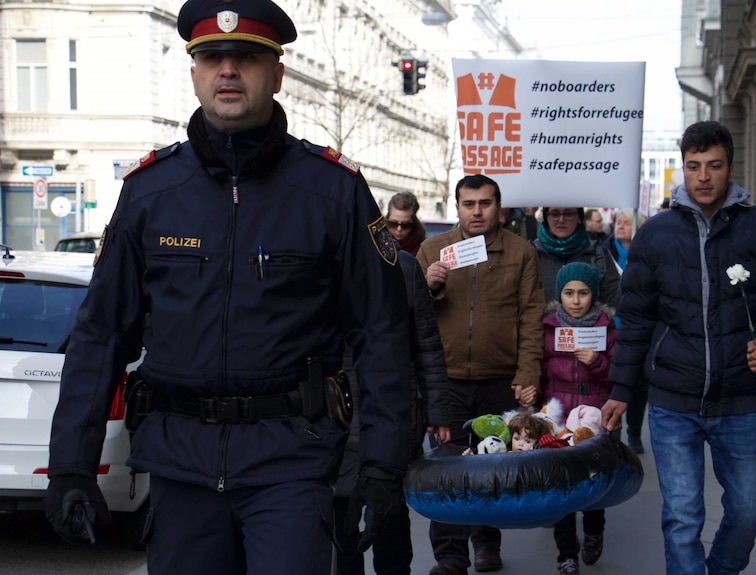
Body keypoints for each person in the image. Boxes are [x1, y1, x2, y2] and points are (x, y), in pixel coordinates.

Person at [44, 1, 412, 573]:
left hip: (291, 465)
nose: (229, 70)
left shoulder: (332, 191)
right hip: (181, 468)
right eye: (213, 57)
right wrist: (72, 464)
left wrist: (383, 467)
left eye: (246, 57)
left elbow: (382, 333)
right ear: (194, 73)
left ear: (278, 73)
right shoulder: (150, 192)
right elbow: (100, 334)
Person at [601, 121, 756, 575]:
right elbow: (636, 319)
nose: (704, 177)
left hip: (742, 398)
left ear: (730, 167)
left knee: (749, 510)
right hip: (674, 400)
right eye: (694, 167)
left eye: (714, 166)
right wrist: (621, 389)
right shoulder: (657, 234)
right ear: (683, 170)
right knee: (683, 518)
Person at [417, 174, 545, 575]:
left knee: (493, 464)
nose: (477, 211)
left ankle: (487, 544)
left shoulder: (521, 253)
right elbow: (408, 316)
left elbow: (531, 317)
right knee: (449, 468)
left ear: (498, 208)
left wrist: (527, 373)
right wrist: (427, 286)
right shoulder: (433, 249)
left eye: (484, 203)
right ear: (457, 207)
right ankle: (450, 557)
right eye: (468, 204)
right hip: (446, 379)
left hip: (500, 379)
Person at [334, 247, 452, 575]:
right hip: (336, 414)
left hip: (394, 413)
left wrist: (438, 411)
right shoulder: (323, 259)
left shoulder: (404, 267)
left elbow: (426, 343)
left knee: (390, 519)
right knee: (340, 523)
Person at [541, 262, 617, 575]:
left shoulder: (607, 328)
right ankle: (566, 555)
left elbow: (619, 375)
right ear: (559, 295)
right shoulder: (547, 327)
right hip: (559, 416)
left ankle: (595, 530)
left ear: (593, 295)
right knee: (562, 486)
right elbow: (540, 365)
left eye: (583, 293)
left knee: (593, 482)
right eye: (569, 293)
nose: (575, 300)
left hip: (594, 415)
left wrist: (597, 362)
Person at [602, 209, 647, 454]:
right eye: (618, 222)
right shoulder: (604, 252)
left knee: (639, 386)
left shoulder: (646, 252)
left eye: (627, 223)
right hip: (612, 329)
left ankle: (635, 431)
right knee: (614, 384)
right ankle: (614, 433)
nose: (620, 226)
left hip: (637, 328)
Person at [531, 207, 621, 309]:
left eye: (568, 214)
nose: (561, 220)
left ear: (579, 217)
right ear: (545, 217)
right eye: (554, 214)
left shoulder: (598, 254)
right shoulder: (531, 254)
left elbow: (615, 300)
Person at [387, 191, 427, 256]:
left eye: (405, 225)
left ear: (413, 224)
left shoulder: (424, 249)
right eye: (393, 224)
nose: (399, 229)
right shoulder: (377, 244)